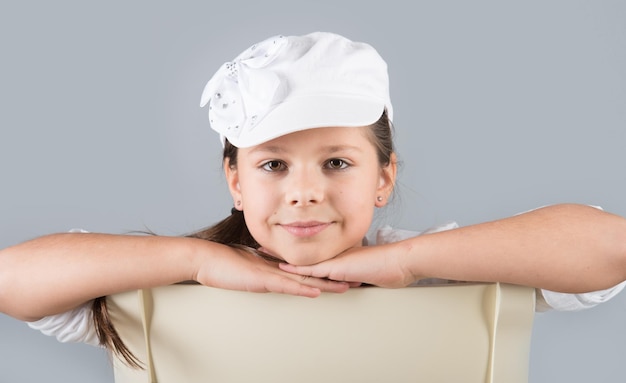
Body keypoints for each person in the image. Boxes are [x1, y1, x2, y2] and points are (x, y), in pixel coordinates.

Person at [1, 31, 625, 367]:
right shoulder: (166, 285)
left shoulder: (441, 271)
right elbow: (11, 280)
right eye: (273, 164)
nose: (305, 191)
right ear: (236, 182)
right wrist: (196, 263)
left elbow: (610, 246)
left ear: (383, 179)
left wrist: (406, 262)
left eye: (337, 163)